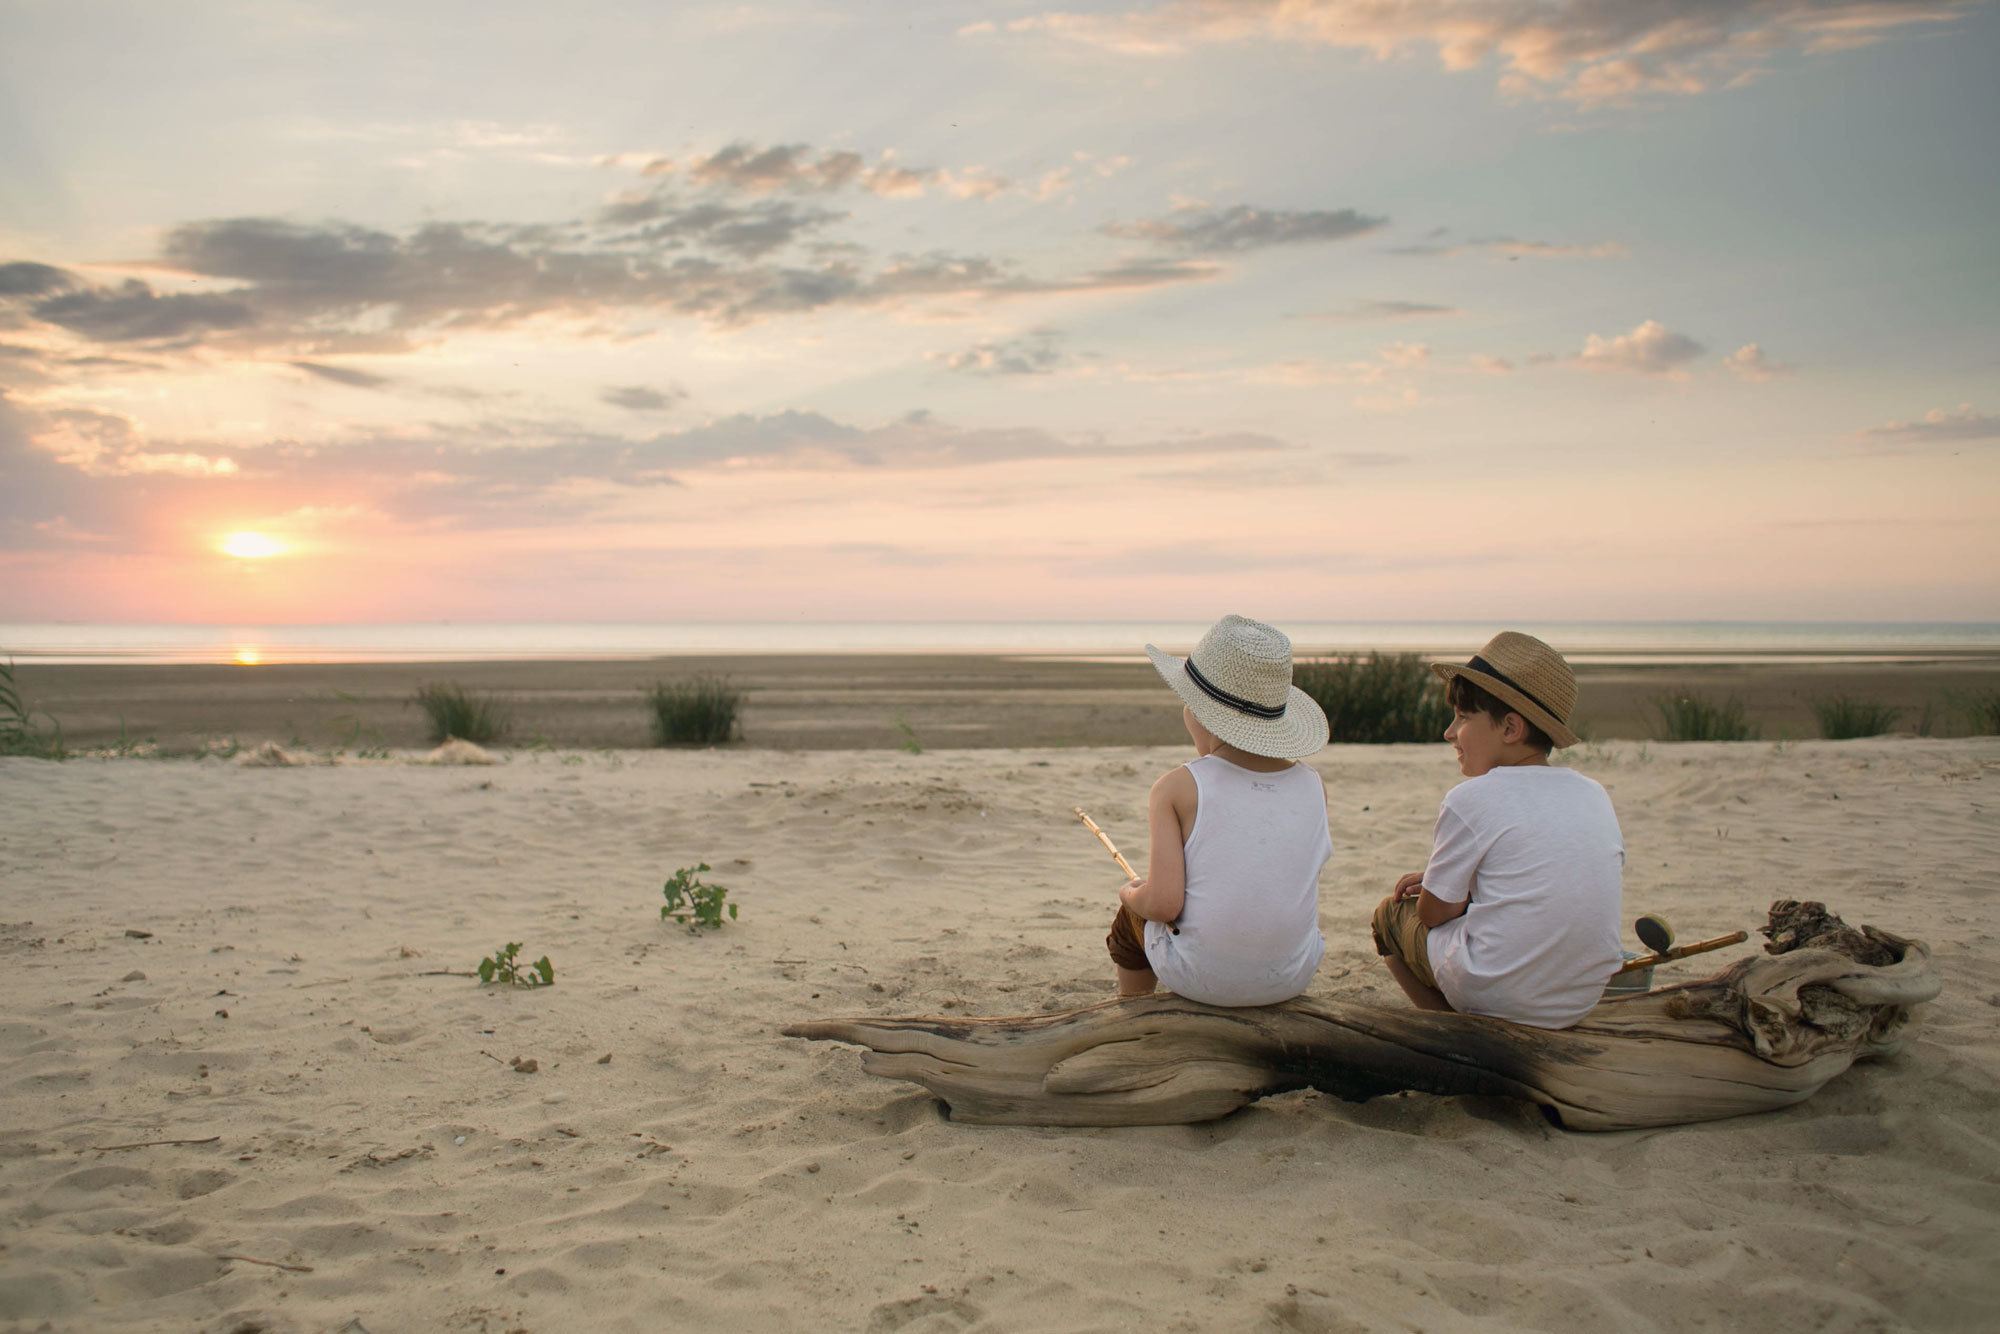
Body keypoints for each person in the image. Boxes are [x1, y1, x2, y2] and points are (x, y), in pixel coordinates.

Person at [1371, 631, 1624, 1029]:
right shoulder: (1593, 793)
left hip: (1497, 992)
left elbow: (1433, 914)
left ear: (1510, 728)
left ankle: (1451, 1030)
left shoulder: (1470, 798)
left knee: (1389, 915)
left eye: (1463, 718)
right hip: (1578, 999)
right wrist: (1468, 886)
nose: (1449, 732)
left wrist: (1445, 888)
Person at [1107, 614, 1333, 1006]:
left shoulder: (1176, 787)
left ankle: (1134, 1011)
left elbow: (1164, 905)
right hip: (1292, 974)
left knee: (1130, 920)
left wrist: (1129, 893)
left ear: (1197, 713)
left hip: (1203, 978)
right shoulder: (1313, 785)